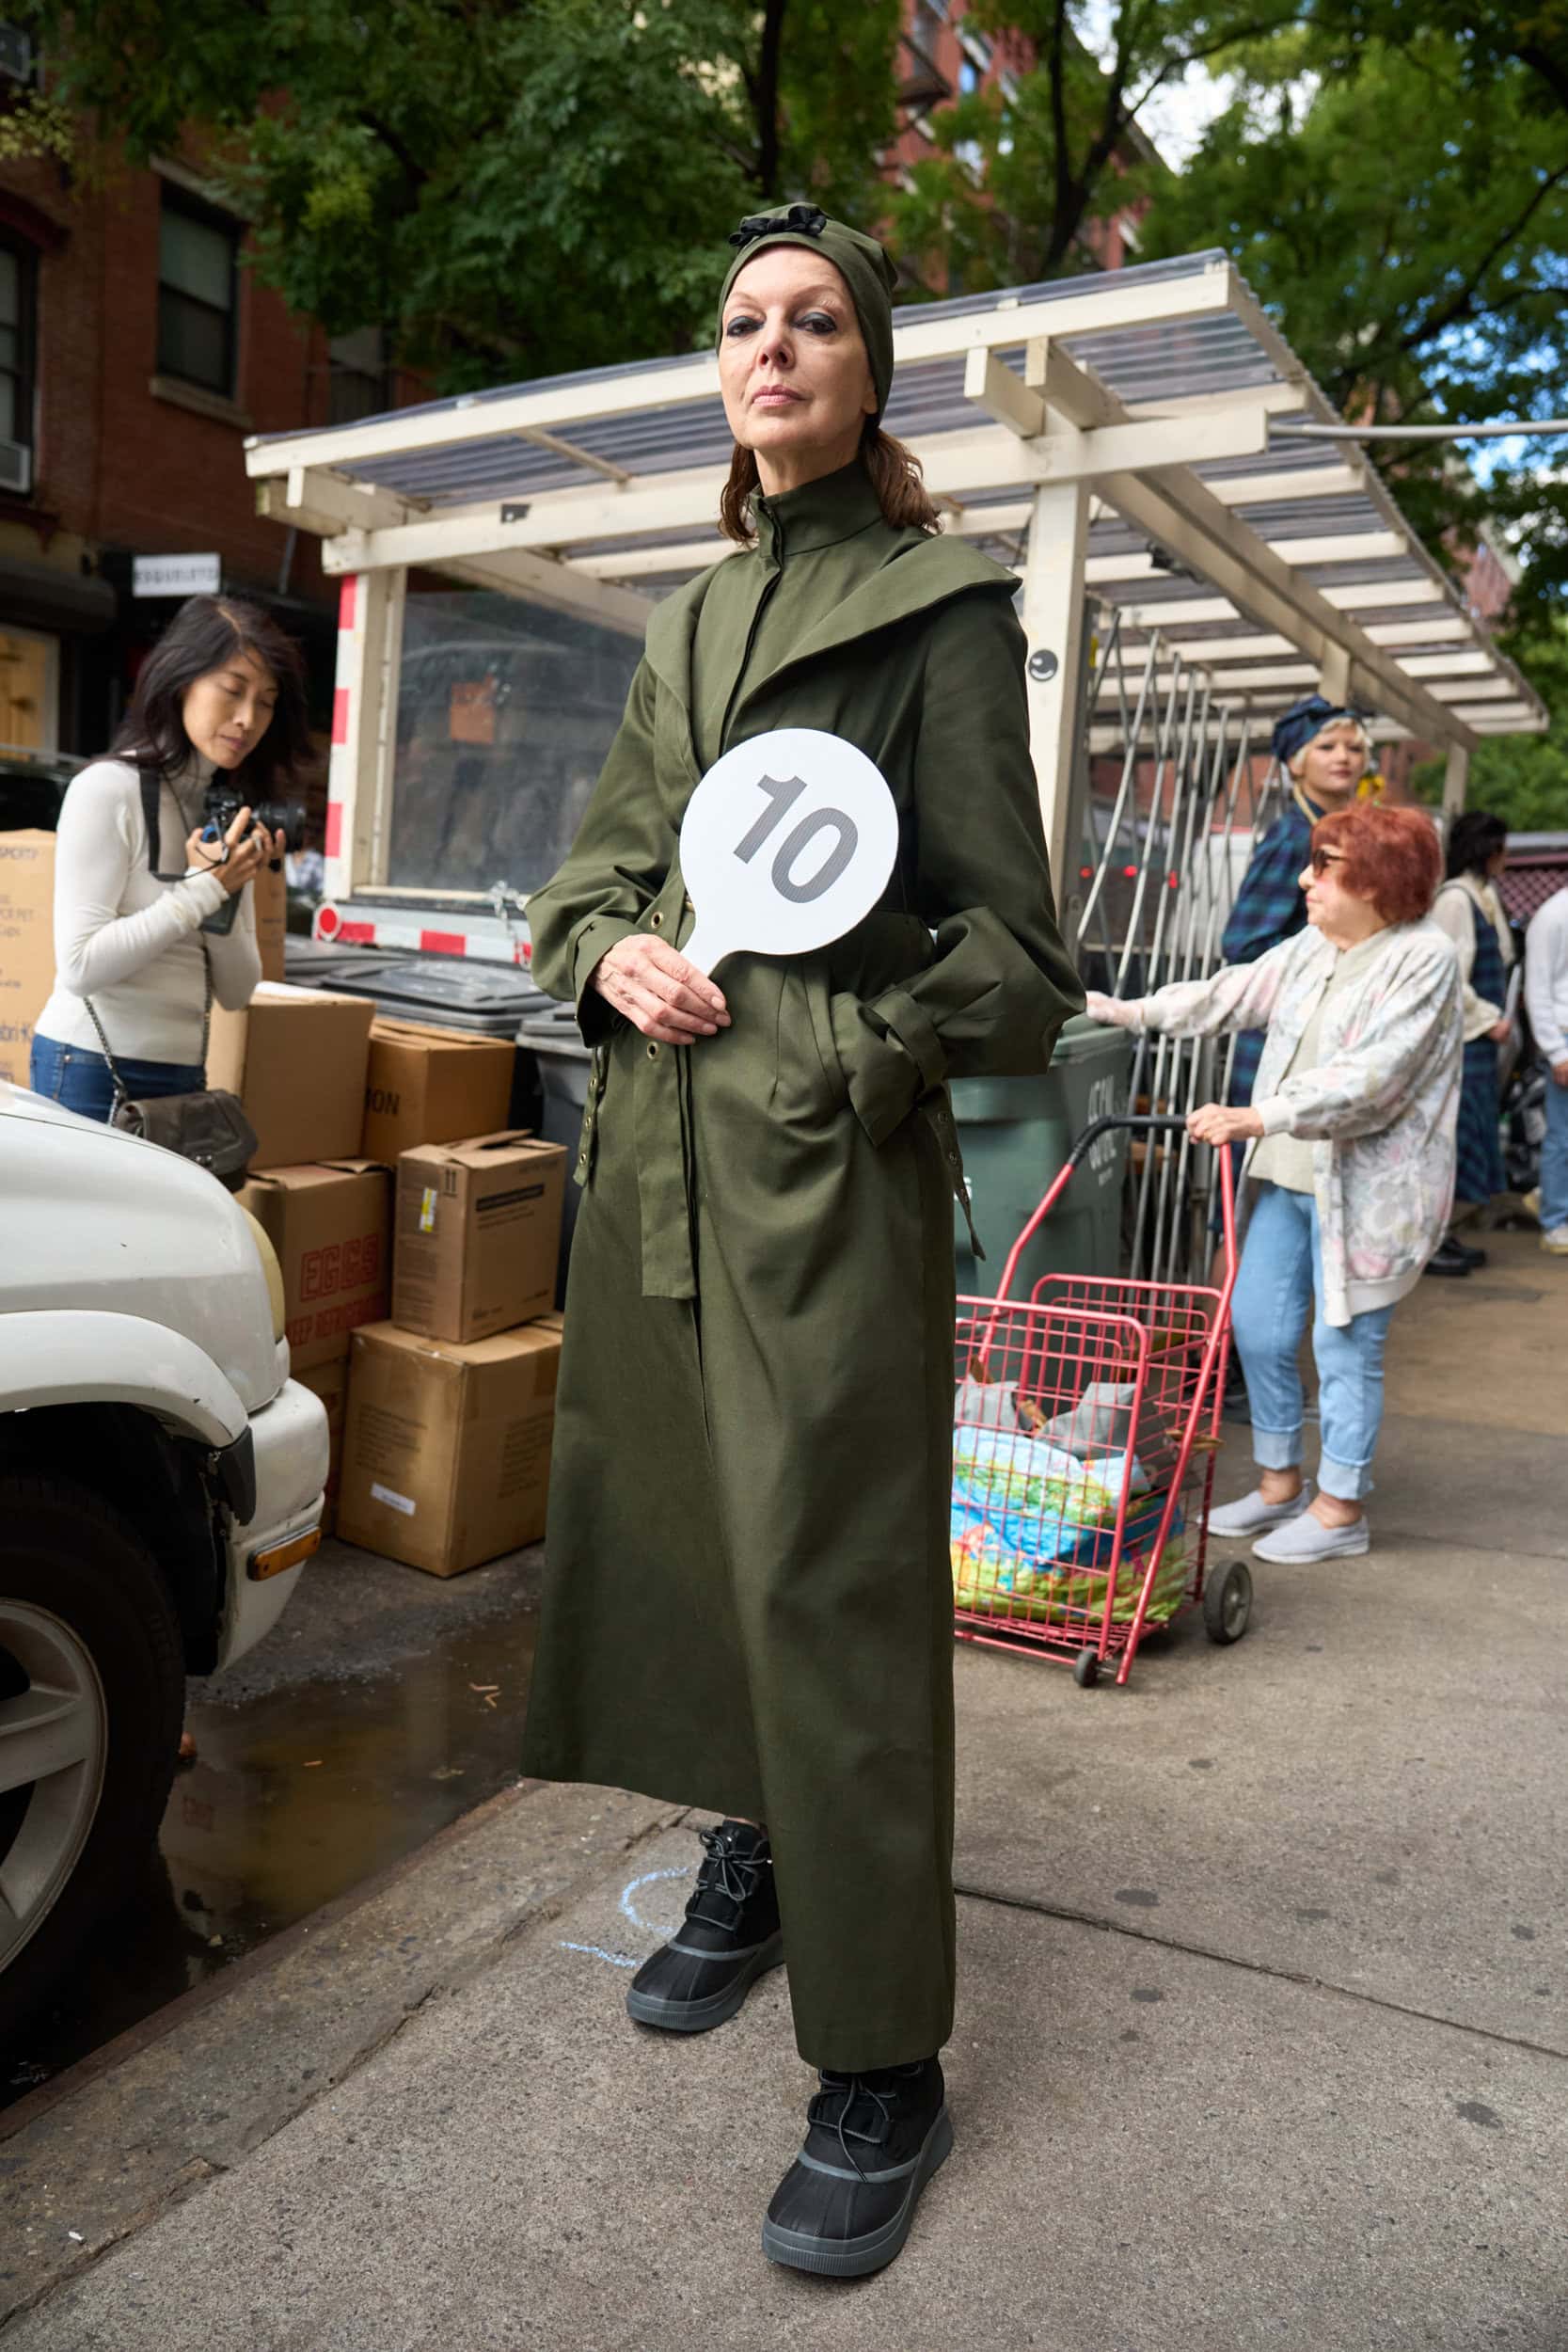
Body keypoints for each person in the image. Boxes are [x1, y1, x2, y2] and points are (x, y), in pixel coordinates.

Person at [519, 204, 1082, 2279]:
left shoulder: (937, 608)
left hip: (825, 1171)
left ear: (869, 368)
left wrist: (841, 1040)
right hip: (657, 1154)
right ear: (720, 367)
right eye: (743, 318)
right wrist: (619, 957)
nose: (772, 347)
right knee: (683, 1536)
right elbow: (581, 882)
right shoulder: (684, 621)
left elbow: (1020, 961)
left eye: (814, 319)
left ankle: (881, 2056)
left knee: (832, 1585)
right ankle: (747, 1854)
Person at [1086, 802, 1461, 1564]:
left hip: (1368, 1193)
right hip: (1289, 1175)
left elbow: (1374, 1079)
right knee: (1256, 1328)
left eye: (1323, 866)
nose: (1304, 880)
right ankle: (1280, 1483)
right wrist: (1127, 1011)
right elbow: (1232, 993)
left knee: (1344, 1343)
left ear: (1377, 880)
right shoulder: (1313, 945)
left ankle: (1339, 1508)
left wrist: (1259, 1115)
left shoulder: (1422, 958)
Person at [30, 595, 309, 1121]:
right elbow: (80, 966)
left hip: (183, 1074)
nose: (247, 719)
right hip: (89, 1066)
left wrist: (222, 888)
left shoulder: (224, 812)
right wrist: (204, 888)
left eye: (266, 702)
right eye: (232, 691)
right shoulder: (107, 790)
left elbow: (238, 990)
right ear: (182, 681)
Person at [1219, 696, 1375, 1121]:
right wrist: (1330, 958)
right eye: (1327, 747)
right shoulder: (1293, 837)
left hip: (1323, 1030)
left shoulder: (1341, 833)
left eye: (1354, 748)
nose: (1343, 756)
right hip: (1278, 1034)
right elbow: (1242, 943)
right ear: (1295, 762)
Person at [1427, 811, 1514, 1274]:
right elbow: (1450, 976)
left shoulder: (1483, 896)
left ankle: (1448, 1231)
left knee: (1473, 1133)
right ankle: (1433, 1237)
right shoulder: (1457, 900)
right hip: (1465, 1040)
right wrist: (1488, 1018)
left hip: (1480, 1041)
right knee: (1457, 1135)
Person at [1525, 881, 1568, 1259]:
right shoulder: (1554, 914)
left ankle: (1551, 1200)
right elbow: (1535, 988)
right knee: (1563, 1137)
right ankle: (1555, 1220)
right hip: (1564, 1037)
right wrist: (1556, 1051)